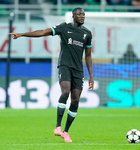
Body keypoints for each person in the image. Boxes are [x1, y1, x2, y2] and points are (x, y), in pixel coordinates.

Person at [9, 7, 94, 143]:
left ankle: (66, 132)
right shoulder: (64, 28)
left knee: (76, 100)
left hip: (78, 70)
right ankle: (58, 126)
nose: (82, 16)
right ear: (73, 16)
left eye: (83, 14)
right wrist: (22, 34)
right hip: (65, 66)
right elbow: (43, 32)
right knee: (65, 92)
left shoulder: (87, 34)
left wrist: (91, 76)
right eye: (79, 14)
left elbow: (88, 56)